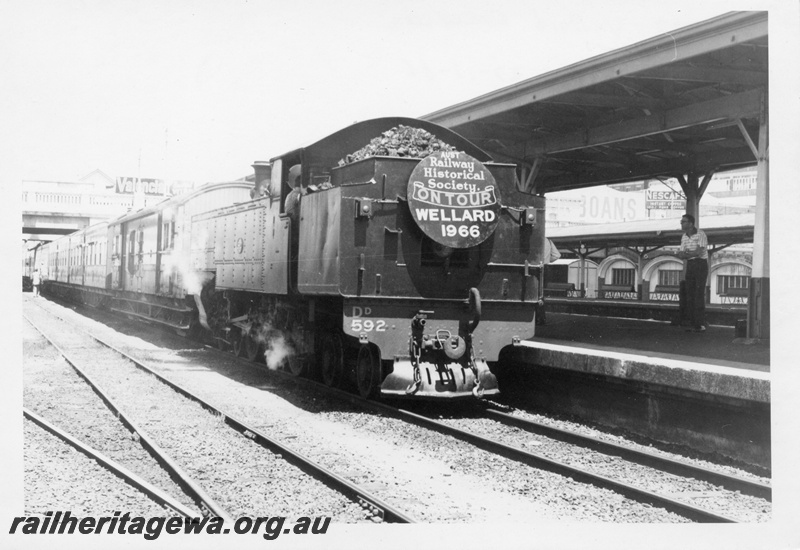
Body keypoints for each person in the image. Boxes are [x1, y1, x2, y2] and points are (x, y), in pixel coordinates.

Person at [676, 214, 708, 333]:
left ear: (690, 223)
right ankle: (694, 323)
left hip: (700, 264)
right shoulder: (684, 237)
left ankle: (700, 323)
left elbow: (699, 252)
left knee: (698, 293)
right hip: (690, 265)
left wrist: (688, 254)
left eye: (683, 221)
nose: (681, 223)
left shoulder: (701, 234)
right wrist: (690, 253)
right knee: (690, 293)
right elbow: (680, 254)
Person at [537, 239, 561, 325]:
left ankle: (537, 318)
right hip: (545, 268)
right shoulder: (549, 240)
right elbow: (557, 255)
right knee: (541, 295)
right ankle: (541, 318)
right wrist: (547, 260)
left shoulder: (534, 238)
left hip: (534, 267)